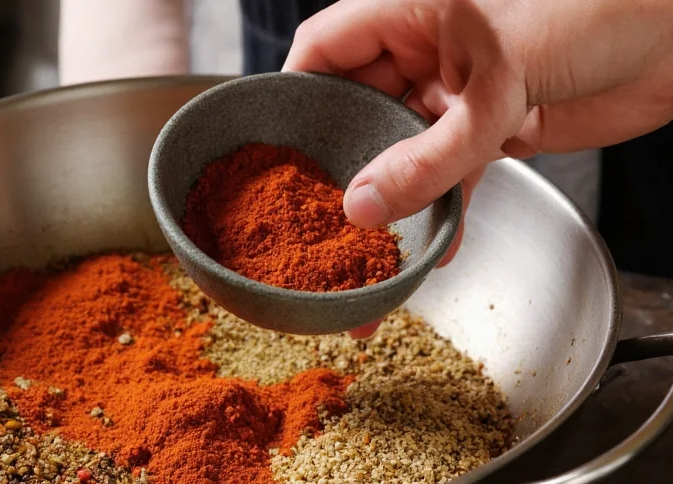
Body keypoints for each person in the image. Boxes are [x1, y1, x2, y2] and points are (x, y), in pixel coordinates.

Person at [58, 0, 673, 335]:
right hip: (343, 55)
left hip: (585, 44)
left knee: (643, 278)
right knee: (308, 108)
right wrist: (120, 108)